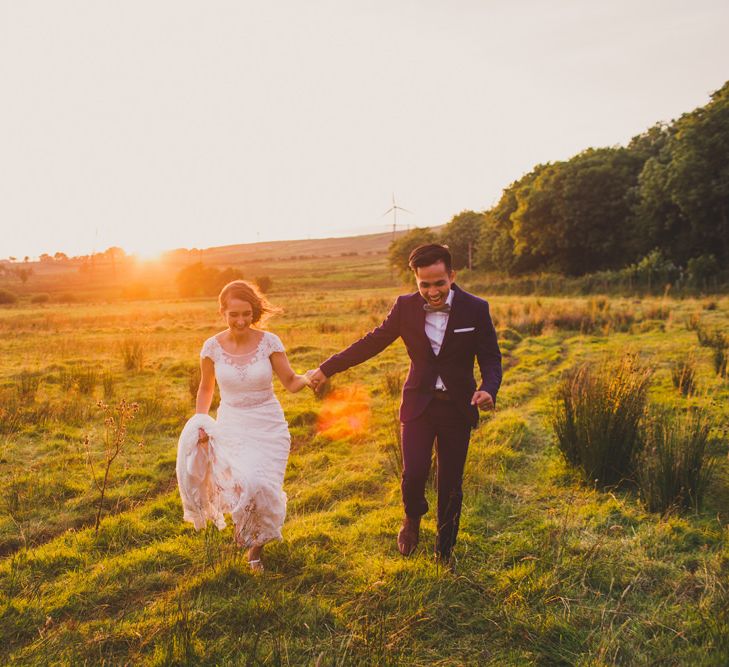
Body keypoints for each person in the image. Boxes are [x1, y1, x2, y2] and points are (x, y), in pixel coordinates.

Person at [308, 244, 502, 567]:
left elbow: (491, 358)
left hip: (458, 406)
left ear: (452, 276)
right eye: (424, 284)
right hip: (418, 406)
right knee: (413, 475)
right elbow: (371, 343)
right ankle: (412, 518)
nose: (432, 291)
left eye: (439, 283)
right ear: (415, 281)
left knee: (451, 485)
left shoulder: (476, 309)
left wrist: (488, 388)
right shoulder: (404, 307)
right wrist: (327, 368)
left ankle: (445, 550)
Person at [176, 280, 312, 573]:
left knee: (266, 486)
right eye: (234, 314)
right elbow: (205, 389)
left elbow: (290, 381)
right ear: (223, 312)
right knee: (244, 482)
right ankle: (246, 530)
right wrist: (201, 422)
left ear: (254, 313)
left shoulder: (269, 342)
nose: (240, 321)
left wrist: (308, 378)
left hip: (269, 425)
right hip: (232, 424)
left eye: (246, 314)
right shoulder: (211, 347)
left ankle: (255, 549)